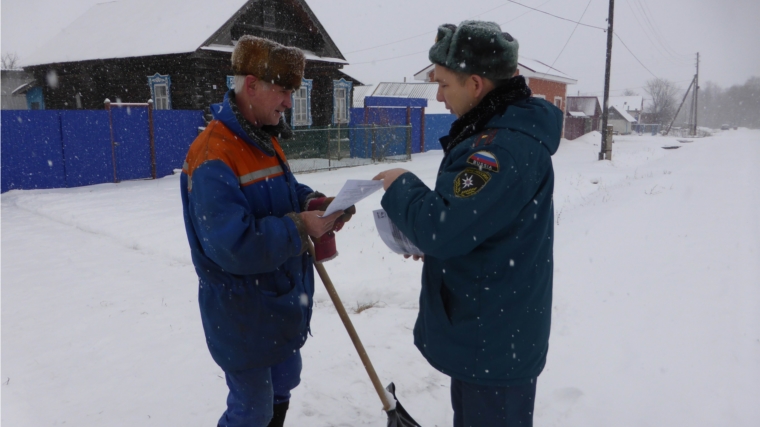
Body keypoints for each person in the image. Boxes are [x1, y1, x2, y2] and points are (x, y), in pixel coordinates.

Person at [373, 21, 563, 426]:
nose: (439, 96)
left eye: (444, 85)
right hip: (491, 332)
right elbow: (475, 223)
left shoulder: (500, 149)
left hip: (493, 340)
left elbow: (443, 228)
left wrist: (399, 184)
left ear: (476, 84)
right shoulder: (497, 133)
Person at [180, 35, 352, 427]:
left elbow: (283, 195)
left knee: (284, 383)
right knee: (251, 410)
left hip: (279, 301)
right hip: (242, 312)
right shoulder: (213, 156)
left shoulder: (262, 138)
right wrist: (298, 228)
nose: (290, 102)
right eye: (284, 91)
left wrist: (314, 205)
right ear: (252, 86)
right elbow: (232, 246)